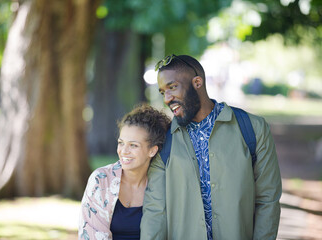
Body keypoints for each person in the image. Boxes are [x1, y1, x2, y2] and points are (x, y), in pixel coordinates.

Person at [140, 54, 282, 240]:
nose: (167, 98)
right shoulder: (164, 140)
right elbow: (155, 210)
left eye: (172, 87)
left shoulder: (253, 129)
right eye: (162, 92)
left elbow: (268, 200)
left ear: (197, 82)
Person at [78, 104, 171, 240]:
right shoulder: (101, 180)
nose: (124, 151)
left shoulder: (164, 184)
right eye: (121, 143)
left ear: (152, 150)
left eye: (133, 145)